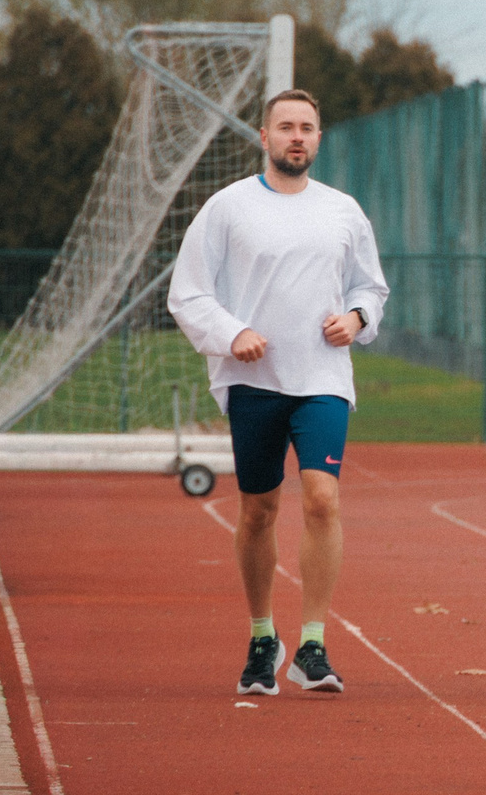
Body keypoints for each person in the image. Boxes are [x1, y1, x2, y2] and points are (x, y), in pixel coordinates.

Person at [170, 88, 390, 698]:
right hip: (254, 383)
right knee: (259, 509)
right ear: (263, 138)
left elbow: (372, 289)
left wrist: (356, 319)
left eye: (308, 127)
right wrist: (231, 331)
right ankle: (263, 637)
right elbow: (188, 293)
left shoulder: (343, 210)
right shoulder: (227, 208)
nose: (298, 136)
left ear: (319, 138)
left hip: (322, 380)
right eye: (286, 127)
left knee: (322, 499)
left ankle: (313, 644)